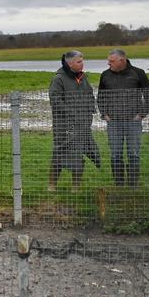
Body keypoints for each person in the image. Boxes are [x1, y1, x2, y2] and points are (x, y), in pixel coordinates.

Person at [97, 49, 149, 188]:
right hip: (113, 123)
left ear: (122, 60)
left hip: (133, 122)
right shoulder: (105, 75)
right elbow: (101, 97)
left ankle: (133, 186)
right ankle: (119, 185)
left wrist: (141, 114)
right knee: (115, 155)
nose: (108, 63)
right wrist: (104, 113)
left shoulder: (138, 73)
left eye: (111, 61)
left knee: (133, 154)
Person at [47, 50, 100, 191]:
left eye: (82, 60)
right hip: (63, 126)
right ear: (70, 63)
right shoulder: (58, 79)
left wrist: (90, 112)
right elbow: (55, 101)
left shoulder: (83, 78)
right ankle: (51, 186)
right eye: (79, 61)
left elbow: (90, 96)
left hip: (82, 125)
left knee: (79, 153)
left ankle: (75, 187)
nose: (82, 64)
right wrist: (73, 115)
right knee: (59, 153)